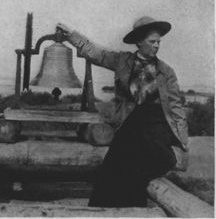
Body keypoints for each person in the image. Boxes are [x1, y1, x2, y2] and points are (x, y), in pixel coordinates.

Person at [56, 16, 188, 208]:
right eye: (152, 42)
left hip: (156, 128)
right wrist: (71, 35)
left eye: (159, 42)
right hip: (129, 126)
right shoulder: (122, 61)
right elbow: (96, 53)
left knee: (138, 165)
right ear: (139, 42)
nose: (157, 46)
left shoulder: (166, 72)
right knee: (112, 169)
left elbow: (176, 108)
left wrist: (183, 141)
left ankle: (134, 210)